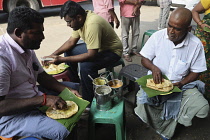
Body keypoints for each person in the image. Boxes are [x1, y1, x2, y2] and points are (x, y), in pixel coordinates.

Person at [0, 6, 81, 140]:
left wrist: (66, 89)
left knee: (75, 89)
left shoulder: (26, 47)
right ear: (19, 32)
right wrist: (43, 100)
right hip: (11, 116)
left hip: (33, 97)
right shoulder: (3, 57)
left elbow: (42, 76)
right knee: (63, 131)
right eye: (37, 33)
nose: (42, 37)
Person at [134, 8, 209, 140]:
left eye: (177, 29)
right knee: (143, 101)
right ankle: (160, 125)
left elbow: (196, 72)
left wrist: (182, 83)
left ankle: (177, 120)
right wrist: (154, 68)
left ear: (188, 29)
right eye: (169, 25)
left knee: (202, 108)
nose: (171, 31)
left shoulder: (195, 44)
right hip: (155, 82)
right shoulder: (158, 36)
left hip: (181, 84)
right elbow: (144, 58)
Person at [44, 1, 123, 103]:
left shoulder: (92, 23)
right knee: (69, 52)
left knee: (86, 66)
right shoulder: (80, 21)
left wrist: (61, 59)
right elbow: (71, 42)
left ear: (79, 17)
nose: (68, 25)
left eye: (69, 21)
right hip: (98, 48)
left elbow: (91, 55)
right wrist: (53, 55)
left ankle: (88, 100)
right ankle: (76, 85)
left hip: (112, 51)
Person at [192, 0, 210, 100]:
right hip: (206, 38)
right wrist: (200, 23)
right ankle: (199, 97)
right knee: (202, 66)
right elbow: (194, 11)